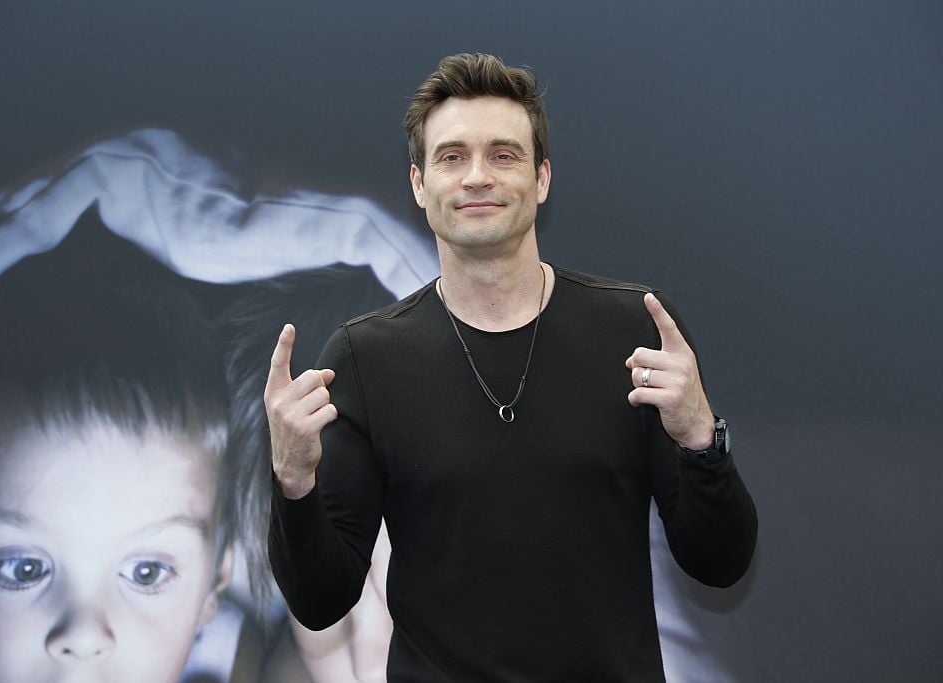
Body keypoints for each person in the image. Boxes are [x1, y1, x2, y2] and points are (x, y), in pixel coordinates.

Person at [264, 53, 758, 681]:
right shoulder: (364, 359)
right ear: (419, 184)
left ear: (541, 178)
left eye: (503, 155)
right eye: (452, 157)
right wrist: (293, 480)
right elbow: (320, 601)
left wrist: (700, 440)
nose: (477, 177)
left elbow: (721, 562)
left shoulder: (635, 330)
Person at [0, 227, 255, 682]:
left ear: (213, 583)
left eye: (147, 572)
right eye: (23, 568)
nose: (83, 636)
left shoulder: (235, 664)